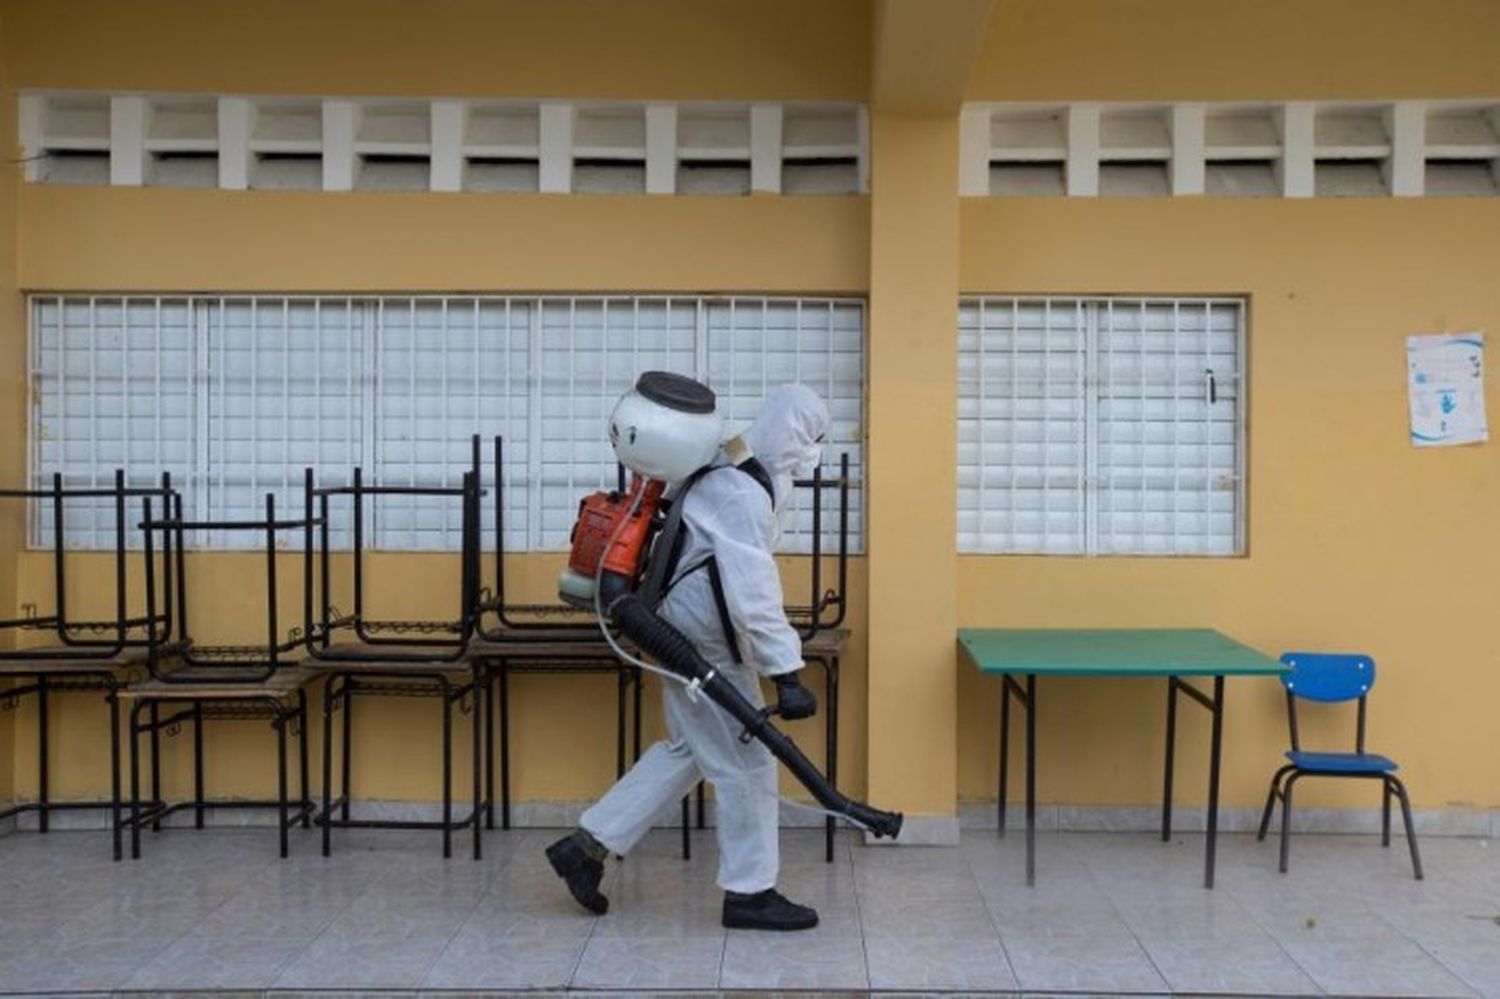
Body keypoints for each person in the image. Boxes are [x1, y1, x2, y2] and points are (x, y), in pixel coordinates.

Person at [547, 383, 829, 931]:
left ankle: (586, 847)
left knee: (691, 750)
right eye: (812, 437)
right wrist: (786, 673)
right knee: (747, 765)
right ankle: (751, 892)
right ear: (795, 435)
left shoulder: (720, 468)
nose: (813, 450)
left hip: (676, 629)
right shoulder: (741, 492)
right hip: (706, 646)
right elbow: (753, 593)